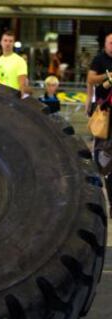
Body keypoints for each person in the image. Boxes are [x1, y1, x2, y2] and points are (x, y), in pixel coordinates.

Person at [87, 31, 112, 215]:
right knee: (100, 158)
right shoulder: (99, 60)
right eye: (111, 42)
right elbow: (90, 79)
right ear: (105, 44)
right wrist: (108, 76)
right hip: (104, 115)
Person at [0, 30, 29, 97]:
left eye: (10, 41)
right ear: (1, 42)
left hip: (13, 98)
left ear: (13, 43)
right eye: (5, 40)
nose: (7, 43)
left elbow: (22, 85)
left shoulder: (20, 61)